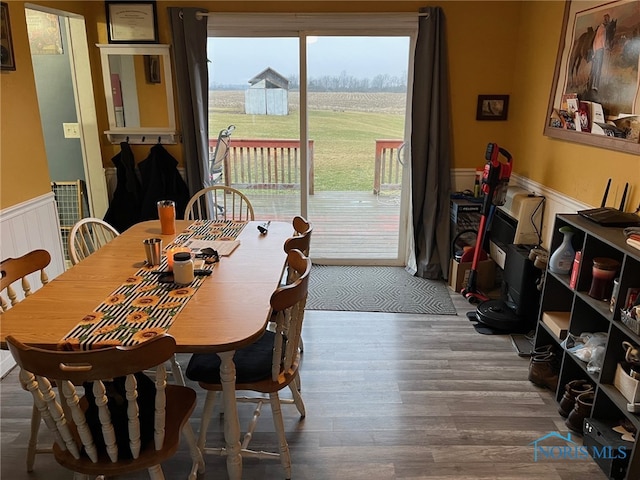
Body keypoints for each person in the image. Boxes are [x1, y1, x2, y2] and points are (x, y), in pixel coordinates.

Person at [589, 13, 611, 92]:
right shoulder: (604, 29)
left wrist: (594, 53)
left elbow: (595, 42)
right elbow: (603, 42)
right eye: (607, 20)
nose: (608, 22)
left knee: (595, 68)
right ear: (606, 20)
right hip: (601, 50)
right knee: (599, 69)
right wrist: (606, 48)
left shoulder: (599, 29)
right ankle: (596, 86)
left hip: (596, 51)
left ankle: (592, 85)